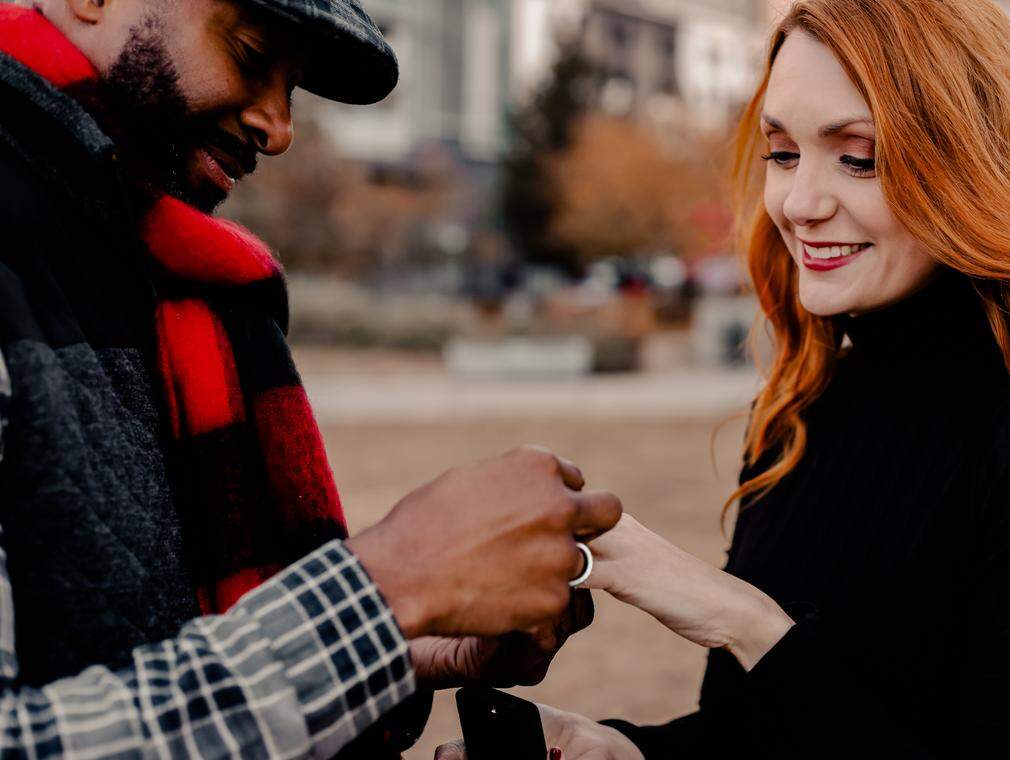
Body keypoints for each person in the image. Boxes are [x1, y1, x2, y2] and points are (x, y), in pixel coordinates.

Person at [437, 0, 1010, 757]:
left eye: (857, 157)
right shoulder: (800, 417)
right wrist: (624, 750)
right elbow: (758, 734)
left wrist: (744, 623)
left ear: (968, 164)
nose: (800, 203)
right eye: (782, 152)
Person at [0, 0, 621, 756]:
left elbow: (137, 654)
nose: (279, 129)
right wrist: (384, 595)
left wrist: (404, 649)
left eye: (290, 90)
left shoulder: (140, 272)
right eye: (253, 54)